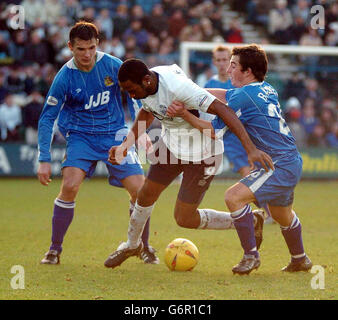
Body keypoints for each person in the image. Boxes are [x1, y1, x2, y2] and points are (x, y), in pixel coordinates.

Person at [103, 58, 274, 269]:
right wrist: (125, 146)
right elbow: (147, 112)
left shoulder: (179, 88)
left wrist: (250, 149)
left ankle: (250, 220)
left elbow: (224, 111)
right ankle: (132, 244)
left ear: (146, 80)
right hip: (172, 146)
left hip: (203, 154)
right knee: (145, 194)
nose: (130, 95)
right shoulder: (146, 84)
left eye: (131, 90)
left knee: (184, 219)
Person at [167, 44, 312, 275]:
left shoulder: (244, 96)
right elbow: (224, 95)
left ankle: (251, 256)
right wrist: (193, 93)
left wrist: (184, 113)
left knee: (233, 197)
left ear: (248, 71)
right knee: (282, 215)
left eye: (233, 65)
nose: (228, 70)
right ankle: (300, 259)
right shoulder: (265, 88)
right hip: (289, 160)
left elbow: (213, 131)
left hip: (278, 164)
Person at [37, 22, 159, 265]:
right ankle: (54, 249)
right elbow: (47, 117)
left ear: (98, 44)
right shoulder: (64, 77)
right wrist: (43, 158)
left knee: (141, 191)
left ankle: (142, 246)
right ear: (70, 47)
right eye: (81, 49)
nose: (87, 54)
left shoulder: (113, 66)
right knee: (70, 186)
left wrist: (141, 134)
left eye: (91, 47)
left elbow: (136, 98)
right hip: (80, 136)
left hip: (115, 134)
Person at [204, 45, 273, 223]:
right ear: (214, 62)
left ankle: (270, 212)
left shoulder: (237, 81)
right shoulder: (209, 84)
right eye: (218, 60)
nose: (221, 64)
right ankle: (268, 212)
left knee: (255, 175)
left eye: (225, 60)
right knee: (247, 173)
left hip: (249, 136)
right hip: (230, 140)